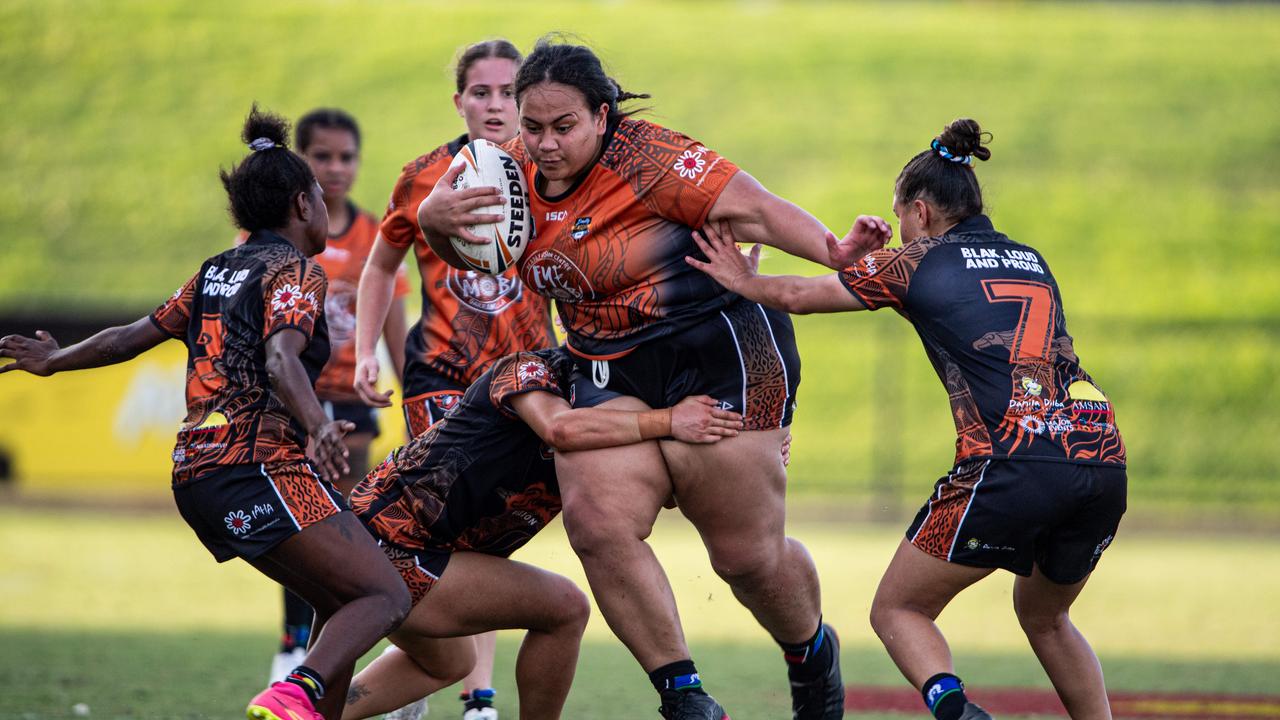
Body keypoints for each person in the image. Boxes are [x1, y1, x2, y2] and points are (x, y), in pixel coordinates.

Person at [417, 37, 890, 720]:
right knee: (596, 522)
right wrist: (434, 220)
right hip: (607, 361)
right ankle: (684, 694)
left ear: (603, 116)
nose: (545, 144)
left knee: (744, 560)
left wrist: (831, 250)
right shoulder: (499, 170)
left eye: (564, 126)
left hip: (718, 349)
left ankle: (810, 650)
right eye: (533, 125)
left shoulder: (652, 158)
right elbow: (458, 239)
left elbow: (756, 208)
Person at [687, 119, 1128, 720]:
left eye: (901, 218)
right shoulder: (1030, 258)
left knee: (897, 611)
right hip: (1099, 454)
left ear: (919, 211)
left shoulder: (915, 260)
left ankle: (954, 710)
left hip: (1012, 459)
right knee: (1046, 615)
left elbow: (798, 295)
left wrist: (744, 278)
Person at [0, 106, 412, 720]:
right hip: (258, 466)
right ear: (303, 205)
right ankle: (294, 692)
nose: (329, 209)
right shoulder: (295, 270)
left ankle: (308, 708)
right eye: (320, 199)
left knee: (339, 598)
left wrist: (57, 360)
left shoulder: (217, 269)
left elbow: (132, 335)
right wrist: (319, 423)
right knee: (385, 594)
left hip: (196, 475)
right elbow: (280, 357)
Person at [337, 347, 745, 720]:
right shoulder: (532, 369)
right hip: (392, 544)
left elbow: (668, 491)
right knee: (564, 609)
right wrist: (671, 420)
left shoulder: (619, 413)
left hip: (405, 552)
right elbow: (559, 429)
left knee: (447, 663)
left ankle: (316, 712)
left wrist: (747, 452)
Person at [354, 39, 555, 720]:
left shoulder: (549, 171)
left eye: (508, 92)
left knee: (488, 543)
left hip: (528, 384)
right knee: (444, 537)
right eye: (482, 92)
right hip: (442, 379)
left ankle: (446, 688)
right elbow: (381, 266)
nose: (496, 105)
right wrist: (362, 353)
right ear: (460, 100)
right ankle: (472, 698)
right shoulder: (423, 176)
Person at [253, 107, 411, 685]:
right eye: (323, 157)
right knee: (301, 530)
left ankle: (324, 651)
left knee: (344, 523)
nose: (336, 168)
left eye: (347, 157)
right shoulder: (271, 237)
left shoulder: (376, 232)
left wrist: (408, 391)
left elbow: (396, 327)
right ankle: (292, 646)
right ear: (300, 166)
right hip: (297, 402)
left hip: (352, 404)